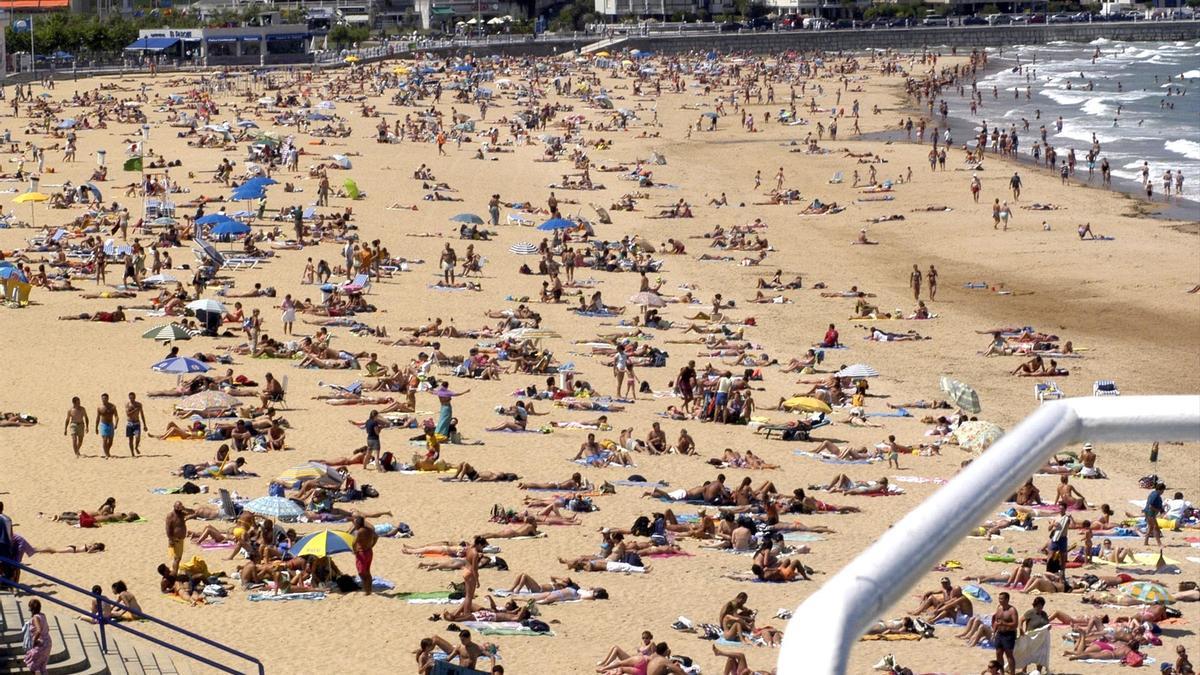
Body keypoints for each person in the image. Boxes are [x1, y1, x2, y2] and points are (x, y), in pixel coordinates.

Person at [992, 591, 1018, 674]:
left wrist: (1004, 623)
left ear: (1007, 599)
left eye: (1002, 599)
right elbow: (996, 620)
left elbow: (1015, 624)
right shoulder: (999, 608)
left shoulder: (1012, 610)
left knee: (1009, 655)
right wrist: (994, 631)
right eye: (999, 598)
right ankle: (1002, 672)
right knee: (998, 653)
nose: (1000, 600)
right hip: (999, 634)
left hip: (1009, 635)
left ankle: (1012, 673)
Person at [22, 598, 50, 674]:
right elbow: (48, 628)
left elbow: (39, 630)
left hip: (40, 643)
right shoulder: (43, 615)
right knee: (42, 666)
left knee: (33, 665)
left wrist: (34, 642)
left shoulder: (35, 617)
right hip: (48, 642)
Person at [352, 515, 377, 595]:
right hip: (369, 551)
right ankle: (369, 589)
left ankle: (367, 591)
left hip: (362, 553)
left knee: (362, 573)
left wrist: (354, 550)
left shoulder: (359, 532)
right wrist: (372, 545)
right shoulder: (369, 530)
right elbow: (376, 537)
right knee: (367, 571)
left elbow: (353, 542)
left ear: (358, 524)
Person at [165, 501, 188, 576]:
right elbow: (168, 529)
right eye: (177, 507)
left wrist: (185, 508)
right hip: (175, 539)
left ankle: (175, 572)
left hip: (181, 539)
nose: (178, 508)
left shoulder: (181, 513)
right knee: (177, 559)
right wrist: (170, 539)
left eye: (180, 507)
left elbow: (193, 512)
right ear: (174, 507)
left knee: (178, 558)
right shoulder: (171, 515)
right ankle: (174, 574)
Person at [95, 393, 119, 458]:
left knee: (111, 441)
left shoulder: (112, 406)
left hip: (111, 424)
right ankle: (106, 454)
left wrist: (116, 424)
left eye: (105, 398)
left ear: (108, 398)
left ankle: (107, 452)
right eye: (102, 398)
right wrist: (96, 427)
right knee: (105, 439)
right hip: (103, 425)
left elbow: (116, 416)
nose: (104, 400)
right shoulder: (100, 408)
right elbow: (97, 418)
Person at [125, 392, 147, 457]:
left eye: (133, 397)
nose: (132, 399)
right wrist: (135, 410)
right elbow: (128, 414)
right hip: (130, 424)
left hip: (137, 423)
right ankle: (132, 453)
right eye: (130, 398)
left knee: (137, 437)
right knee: (130, 439)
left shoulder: (139, 404)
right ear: (129, 398)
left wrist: (145, 425)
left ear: (135, 397)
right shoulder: (127, 404)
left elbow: (142, 414)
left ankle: (136, 447)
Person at [1144, 481, 1165, 548]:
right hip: (1150, 513)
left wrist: (1162, 511)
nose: (1163, 492)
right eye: (1163, 490)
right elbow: (1151, 505)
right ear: (1160, 490)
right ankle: (1159, 544)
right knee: (1155, 528)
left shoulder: (1154, 494)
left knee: (1150, 527)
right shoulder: (1155, 495)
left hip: (1149, 513)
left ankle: (1146, 542)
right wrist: (1157, 510)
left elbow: (1158, 505)